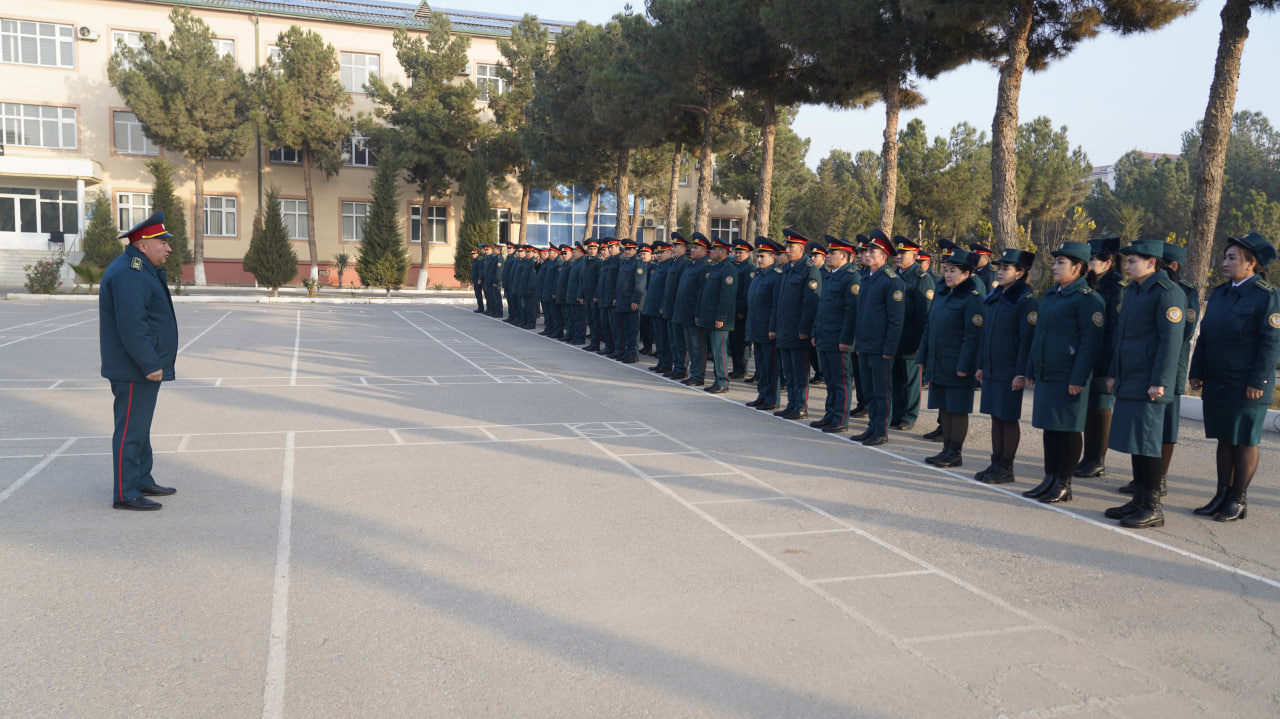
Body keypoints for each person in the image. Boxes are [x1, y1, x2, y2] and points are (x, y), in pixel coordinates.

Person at [1188, 232, 1280, 522]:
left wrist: (1259, 382)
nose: (1224, 263)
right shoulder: (1221, 293)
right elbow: (1206, 335)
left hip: (1246, 383)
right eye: (1224, 257)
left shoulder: (1266, 296)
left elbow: (1271, 343)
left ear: (1251, 264)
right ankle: (1221, 494)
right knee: (1224, 440)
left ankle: (1238, 498)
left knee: (1244, 441)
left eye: (1231, 258)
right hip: (1218, 380)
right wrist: (1197, 371)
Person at [1100, 239, 1186, 529]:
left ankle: (1152, 507)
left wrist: (1160, 381)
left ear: (1152, 262)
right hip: (1131, 377)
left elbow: (1170, 342)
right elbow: (1120, 338)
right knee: (1138, 442)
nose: (1127, 266)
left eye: (1133, 261)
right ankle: (1138, 499)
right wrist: (1114, 372)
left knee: (1148, 444)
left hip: (1150, 382)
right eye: (1126, 261)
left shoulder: (1167, 293)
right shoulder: (1134, 290)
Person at [99, 211, 180, 511]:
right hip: (134, 368)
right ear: (144, 244)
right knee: (131, 430)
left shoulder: (140, 268)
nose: (168, 248)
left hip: (139, 366)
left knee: (140, 427)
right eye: (163, 242)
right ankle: (126, 492)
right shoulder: (129, 272)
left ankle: (142, 478)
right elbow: (132, 325)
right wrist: (149, 363)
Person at [1022, 242, 1106, 504]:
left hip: (1069, 375)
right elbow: (1038, 337)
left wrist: (1078, 378)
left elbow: (1089, 344)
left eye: (1061, 263)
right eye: (1055, 261)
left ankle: (1064, 483)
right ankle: (1050, 477)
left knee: (1068, 429)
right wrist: (1032, 368)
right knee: (1051, 428)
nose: (1055, 266)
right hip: (1048, 371)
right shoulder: (1050, 295)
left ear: (1078, 268)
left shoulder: (1088, 299)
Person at [916, 249, 985, 467]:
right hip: (939, 361)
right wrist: (923, 356)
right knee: (944, 407)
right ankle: (945, 449)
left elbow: (972, 337)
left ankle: (955, 453)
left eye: (953, 271)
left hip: (957, 365)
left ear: (966, 274)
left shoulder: (973, 299)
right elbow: (929, 327)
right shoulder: (943, 293)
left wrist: (964, 365)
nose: (947, 275)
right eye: (946, 270)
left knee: (957, 409)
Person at [974, 249, 1038, 484]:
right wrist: (981, 365)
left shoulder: (1026, 301)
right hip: (992, 367)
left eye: (1006, 268)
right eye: (999, 267)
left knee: (1008, 418)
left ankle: (1006, 467)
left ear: (1020, 273)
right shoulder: (995, 296)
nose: (1000, 272)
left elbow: (1027, 340)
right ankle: (995, 463)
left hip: (1010, 370)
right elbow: (986, 335)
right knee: (995, 417)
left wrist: (1021, 373)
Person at [849, 230, 905, 446]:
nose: (868, 253)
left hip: (881, 347)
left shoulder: (891, 282)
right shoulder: (868, 278)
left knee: (881, 390)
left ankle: (881, 430)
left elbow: (895, 320)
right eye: (868, 250)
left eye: (873, 251)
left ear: (884, 256)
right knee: (869, 389)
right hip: (865, 344)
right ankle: (872, 426)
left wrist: (889, 349)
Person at [1075, 236, 1123, 479]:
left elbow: (1116, 329)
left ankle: (1097, 459)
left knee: (1101, 409)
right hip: (1090, 355)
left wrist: (1112, 364)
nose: (1089, 263)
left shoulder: (1117, 287)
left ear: (1108, 262)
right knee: (1089, 408)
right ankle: (1087, 457)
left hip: (1106, 357)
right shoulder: (1090, 283)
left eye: (1093, 258)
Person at [810, 235, 860, 432]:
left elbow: (851, 312)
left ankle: (841, 419)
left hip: (839, 338)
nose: (828, 256)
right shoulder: (831, 275)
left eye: (832, 253)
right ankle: (830, 414)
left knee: (841, 381)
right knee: (830, 380)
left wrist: (846, 340)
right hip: (825, 335)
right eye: (828, 252)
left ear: (845, 256)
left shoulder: (851, 277)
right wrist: (815, 332)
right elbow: (822, 308)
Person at [771, 229, 823, 419]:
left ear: (801, 249)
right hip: (785, 328)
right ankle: (792, 403)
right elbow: (781, 302)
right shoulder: (787, 269)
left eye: (791, 246)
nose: (787, 249)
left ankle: (801, 406)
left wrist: (804, 329)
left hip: (798, 331)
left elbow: (811, 303)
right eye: (786, 246)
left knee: (800, 372)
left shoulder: (809, 269)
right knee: (790, 371)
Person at [890, 237, 932, 431]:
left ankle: (909, 415)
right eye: (897, 253)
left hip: (911, 339)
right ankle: (897, 413)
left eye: (902, 253)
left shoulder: (921, 278)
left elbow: (924, 315)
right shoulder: (893, 275)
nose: (898, 256)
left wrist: (919, 343)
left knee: (911, 380)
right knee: (896, 379)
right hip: (894, 338)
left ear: (914, 256)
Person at [746, 237, 785, 411]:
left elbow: (776, 305)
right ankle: (762, 395)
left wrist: (772, 328)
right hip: (756, 326)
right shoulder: (759, 275)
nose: (759, 259)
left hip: (767, 329)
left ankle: (772, 398)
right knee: (761, 366)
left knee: (771, 366)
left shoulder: (776, 276)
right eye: (758, 256)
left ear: (773, 257)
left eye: (763, 256)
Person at [697, 237, 738, 392]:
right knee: (715, 351)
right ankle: (717, 379)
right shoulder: (717, 267)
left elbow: (727, 296)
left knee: (719, 351)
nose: (711, 251)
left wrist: (721, 317)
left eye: (714, 249)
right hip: (712, 317)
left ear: (723, 251)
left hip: (720, 320)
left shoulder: (728, 269)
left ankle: (722, 382)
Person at [675, 233, 712, 386]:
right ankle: (693, 373)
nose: (693, 250)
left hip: (694, 314)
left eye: (696, 248)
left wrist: (698, 313)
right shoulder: (691, 265)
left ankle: (698, 376)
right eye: (692, 248)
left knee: (698, 347)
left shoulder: (705, 267)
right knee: (690, 346)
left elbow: (702, 294)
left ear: (704, 250)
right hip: (685, 313)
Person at [662, 233, 692, 380]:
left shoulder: (684, 263)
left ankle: (682, 368)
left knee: (680, 341)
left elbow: (682, 289)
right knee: (673, 340)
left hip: (678, 308)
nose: (672, 248)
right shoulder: (674, 262)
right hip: (670, 308)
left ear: (684, 248)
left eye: (676, 246)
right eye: (672, 246)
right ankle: (677, 366)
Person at [643, 241, 673, 373]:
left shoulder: (669, 267)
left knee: (664, 337)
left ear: (669, 253)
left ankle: (666, 363)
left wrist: (663, 306)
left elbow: (668, 290)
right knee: (659, 337)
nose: (659, 255)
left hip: (662, 308)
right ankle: (661, 361)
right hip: (654, 307)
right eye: (657, 253)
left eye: (662, 253)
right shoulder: (658, 267)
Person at [729, 239, 755, 378]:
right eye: (736, 252)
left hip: (741, 312)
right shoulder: (735, 266)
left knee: (741, 341)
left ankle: (742, 368)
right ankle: (736, 367)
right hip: (733, 309)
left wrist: (741, 310)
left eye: (740, 252)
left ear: (747, 253)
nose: (737, 255)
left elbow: (747, 292)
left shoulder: (749, 268)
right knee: (734, 341)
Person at [470, 247, 485, 314]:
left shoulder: (479, 260)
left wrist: (479, 279)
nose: (473, 255)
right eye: (472, 254)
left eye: (474, 254)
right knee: (477, 294)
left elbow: (480, 271)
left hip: (478, 280)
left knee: (479, 294)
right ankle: (480, 307)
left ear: (477, 253)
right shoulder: (475, 260)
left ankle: (481, 308)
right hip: (475, 280)